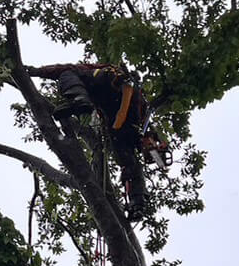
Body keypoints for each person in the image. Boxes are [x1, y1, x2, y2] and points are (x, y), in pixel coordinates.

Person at [25, 62, 169, 215]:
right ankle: (137, 201)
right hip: (120, 120)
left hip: (114, 95)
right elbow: (142, 121)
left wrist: (35, 71)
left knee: (67, 72)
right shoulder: (139, 108)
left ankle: (79, 99)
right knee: (128, 161)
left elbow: (57, 69)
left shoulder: (92, 71)